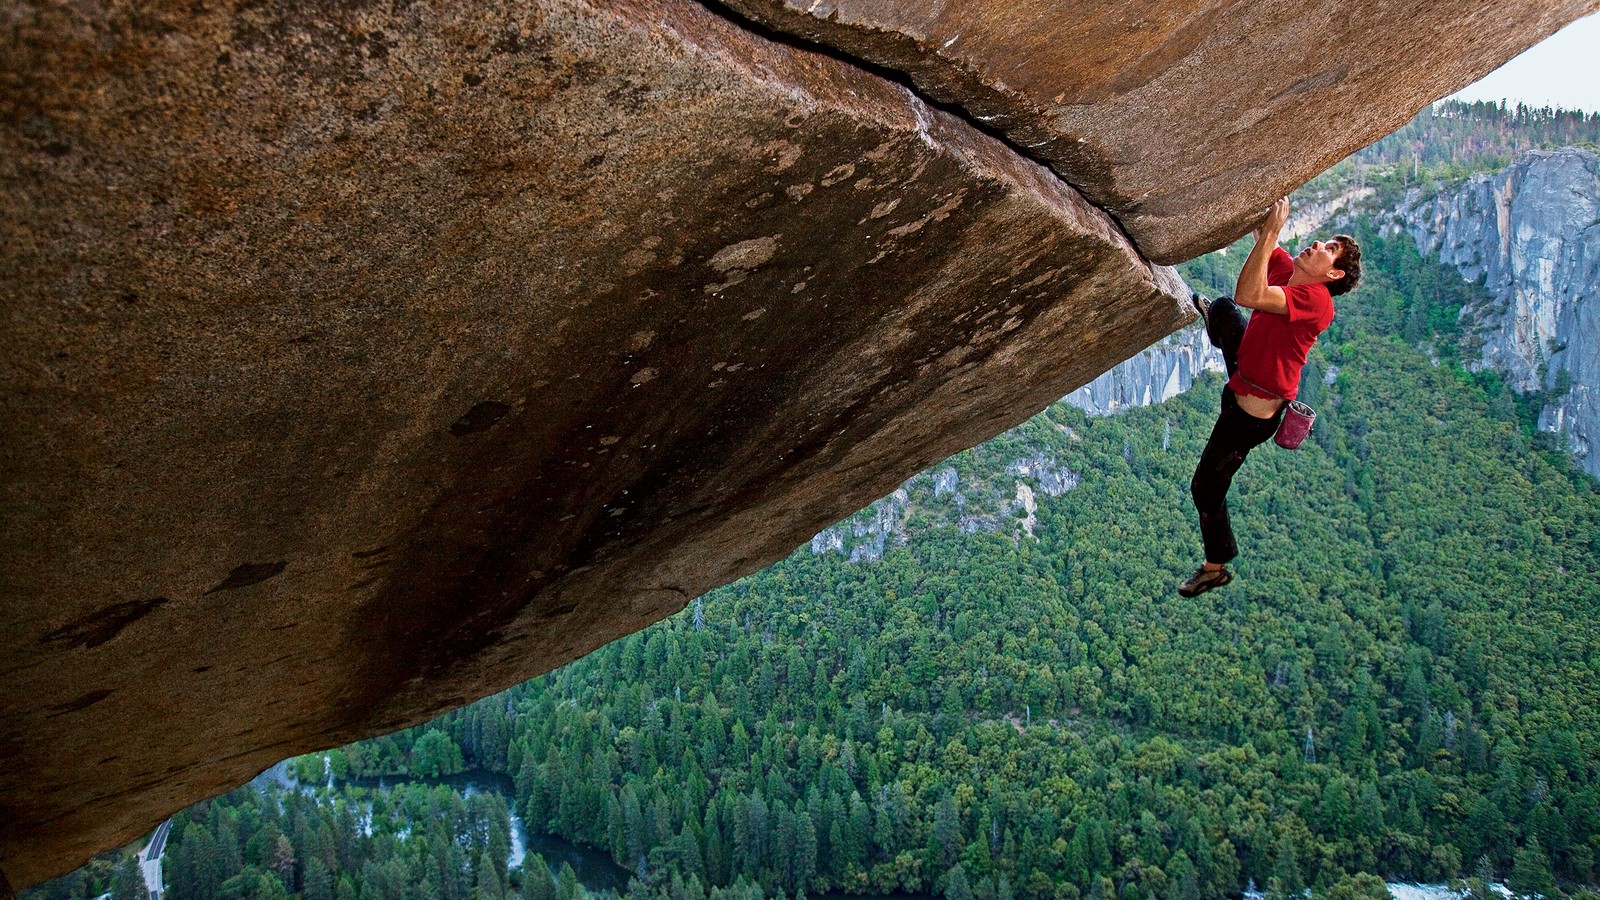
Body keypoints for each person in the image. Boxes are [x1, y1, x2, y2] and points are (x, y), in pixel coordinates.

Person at [1178, 196, 1361, 597]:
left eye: (1330, 249)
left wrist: (1275, 231)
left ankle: (1215, 567)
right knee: (1224, 310)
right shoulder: (1290, 273)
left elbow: (1251, 293)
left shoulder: (1318, 303)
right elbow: (1261, 237)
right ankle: (1217, 324)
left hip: (1249, 416)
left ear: (1333, 273)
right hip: (1245, 372)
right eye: (1325, 240)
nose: (1318, 244)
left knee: (1205, 487)